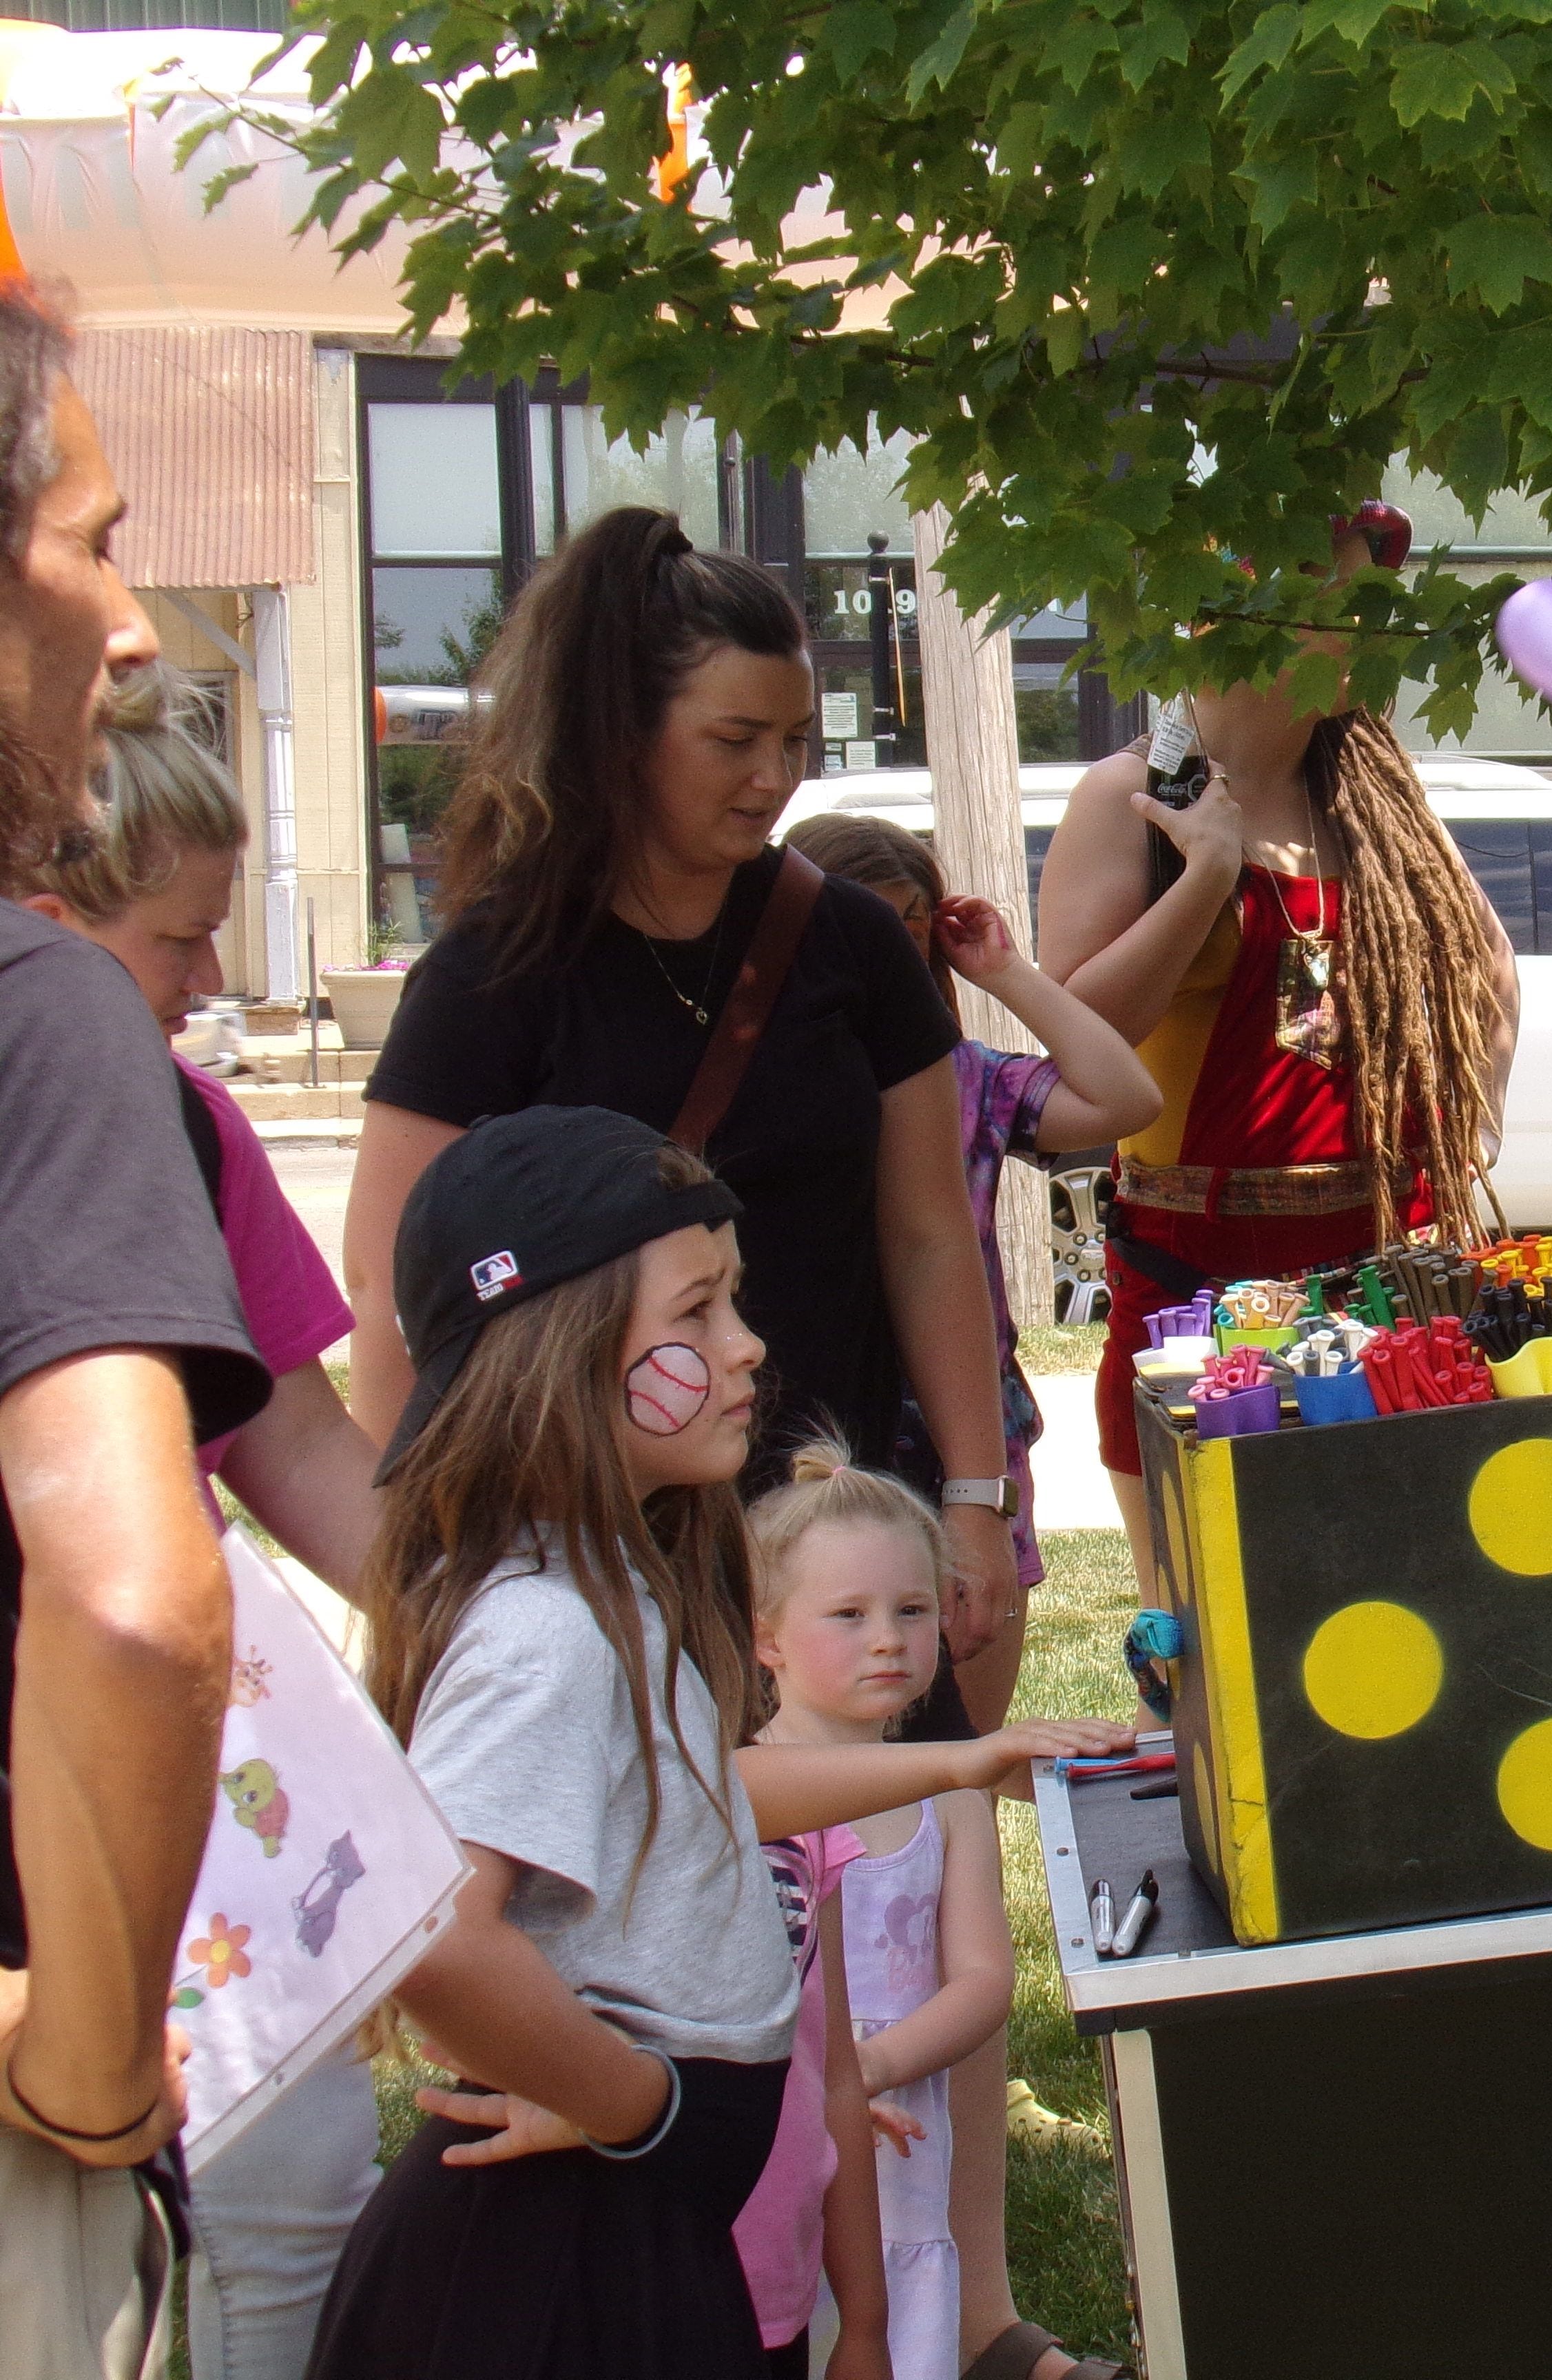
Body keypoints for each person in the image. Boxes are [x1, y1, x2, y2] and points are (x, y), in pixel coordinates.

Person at [306, 1107, 1127, 2379]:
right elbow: (439, 1930)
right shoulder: (546, 1629)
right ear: (562, 1349)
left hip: (634, 2222)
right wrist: (637, 2107)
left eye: (733, 1304)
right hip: (561, 2263)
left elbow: (700, 1797)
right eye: (694, 1313)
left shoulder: (607, 1593)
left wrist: (960, 1761)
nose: (745, 1347)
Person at [345, 506, 1022, 1736]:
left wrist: (972, 1497)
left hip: (827, 1551)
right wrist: (432, 1553)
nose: (774, 779)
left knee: (877, 1891)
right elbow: (398, 1281)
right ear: (624, 737)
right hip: (594, 1562)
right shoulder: (501, 964)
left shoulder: (854, 943)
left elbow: (930, 1238)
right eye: (733, 739)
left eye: (795, 740)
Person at [21, 662, 385, 2379]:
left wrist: (535, 1604)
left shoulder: (185, 1115)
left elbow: (293, 1437)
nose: (215, 978)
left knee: (292, 2167)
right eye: (178, 943)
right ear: (45, 913)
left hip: (195, 1781)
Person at [0, 284, 272, 2379]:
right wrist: (91, 2073)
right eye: (92, 538)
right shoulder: (41, 1007)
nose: (133, 624)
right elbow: (129, 1600)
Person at [1032, 511, 1518, 1585]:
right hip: (1195, 1302)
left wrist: (1446, 1160)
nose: (1379, 633)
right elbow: (1075, 1038)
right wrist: (1205, 877)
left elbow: (1491, 984)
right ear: (1242, 606)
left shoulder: (1378, 802)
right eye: (1353, 605)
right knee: (1219, 1642)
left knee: (1418, 1603)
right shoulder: (1129, 802)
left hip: (1393, 1281)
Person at [746, 1442, 1128, 2380]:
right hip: (775, 2140)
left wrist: (871, 2067)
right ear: (765, 1637)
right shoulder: (742, 1792)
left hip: (902, 2138)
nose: (888, 1637)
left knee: (900, 2323)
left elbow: (985, 1982)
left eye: (912, 1611)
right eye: (850, 1615)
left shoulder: (951, 1801)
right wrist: (824, 2084)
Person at [781, 809, 1161, 1723]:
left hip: (966, 1449)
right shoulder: (771, 1077)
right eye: (860, 926)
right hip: (814, 1441)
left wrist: (1004, 970)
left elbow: (1125, 1095)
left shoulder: (966, 1078)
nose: (885, 958)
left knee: (959, 1742)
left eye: (911, 932)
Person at [728, 1813, 891, 2380]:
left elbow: (835, 2074)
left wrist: (866, 2323)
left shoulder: (807, 1821)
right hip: (633, 2283)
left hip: (777, 2288)